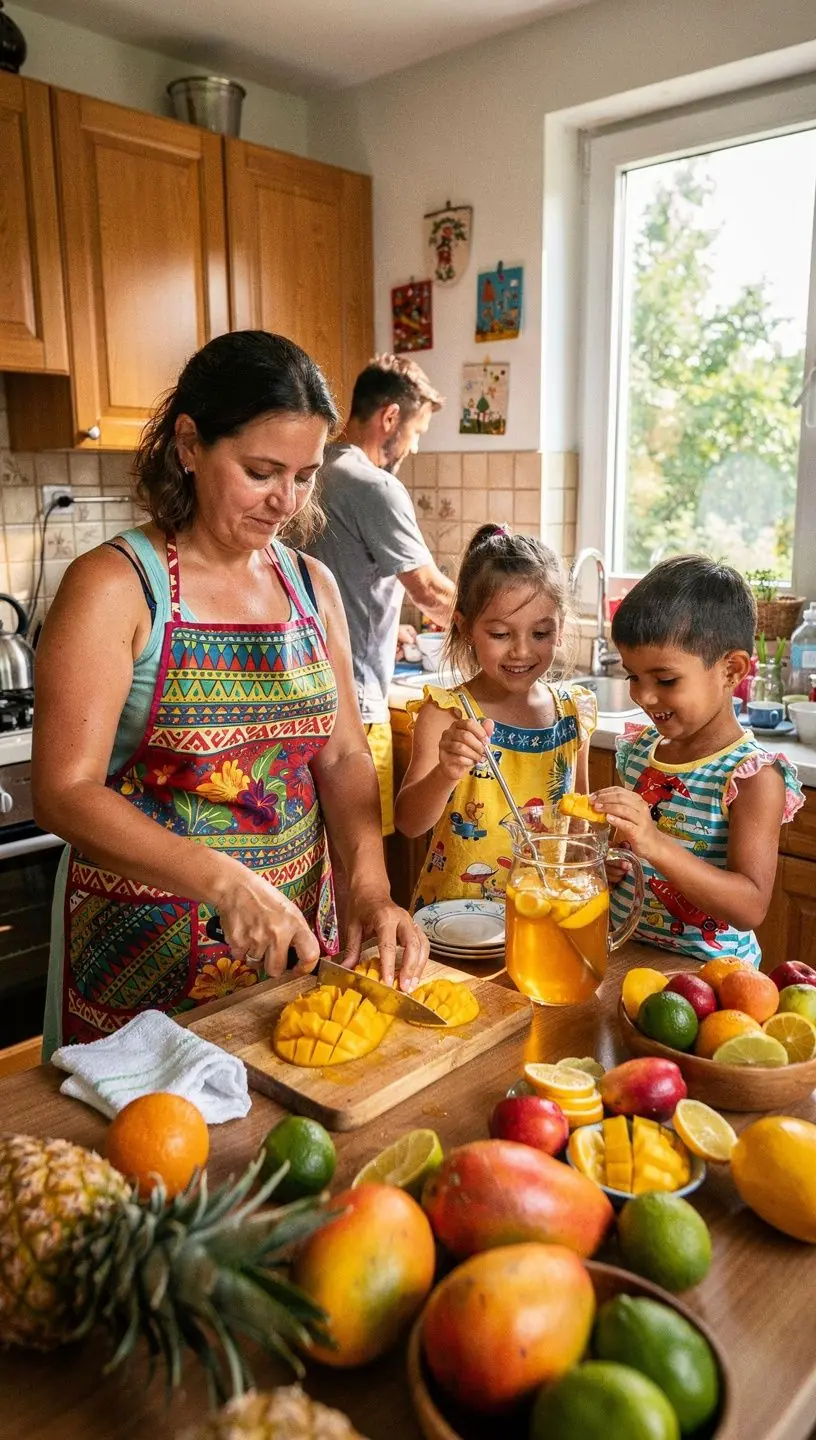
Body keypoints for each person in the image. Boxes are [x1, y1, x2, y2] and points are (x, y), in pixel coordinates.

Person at [33, 331, 429, 1058]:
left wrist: (370, 891)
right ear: (189, 444)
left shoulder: (313, 586)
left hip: (291, 952)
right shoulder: (115, 586)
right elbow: (64, 791)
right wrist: (223, 882)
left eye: (306, 476)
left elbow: (341, 757)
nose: (286, 500)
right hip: (140, 965)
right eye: (261, 471)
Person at [592, 556, 803, 965]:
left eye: (666, 680)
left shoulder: (752, 777)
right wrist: (610, 863)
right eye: (632, 676)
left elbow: (750, 907)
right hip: (623, 957)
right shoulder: (638, 752)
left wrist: (654, 842)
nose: (644, 697)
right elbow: (628, 852)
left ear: (731, 670)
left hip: (710, 983)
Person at [394, 524, 598, 910]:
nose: (521, 651)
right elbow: (409, 822)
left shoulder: (574, 713)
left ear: (561, 628)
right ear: (465, 627)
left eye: (540, 633)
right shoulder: (445, 713)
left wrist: (588, 861)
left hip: (539, 917)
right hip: (452, 922)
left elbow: (578, 819)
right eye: (501, 634)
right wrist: (446, 772)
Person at [305, 354, 455, 837]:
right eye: (415, 433)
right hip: (357, 710)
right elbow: (430, 590)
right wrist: (498, 621)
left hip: (297, 697)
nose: (411, 447)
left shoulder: (307, 472)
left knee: (315, 859)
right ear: (390, 417)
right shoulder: (375, 486)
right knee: (361, 858)